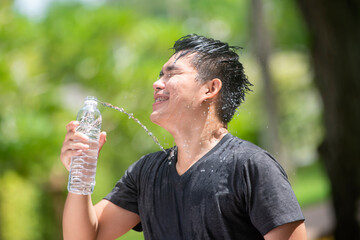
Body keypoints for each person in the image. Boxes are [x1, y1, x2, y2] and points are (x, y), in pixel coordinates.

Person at [60, 34, 307, 240]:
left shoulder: (251, 167)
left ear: (210, 89)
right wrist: (80, 175)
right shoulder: (145, 173)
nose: (157, 83)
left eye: (171, 74)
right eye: (160, 75)